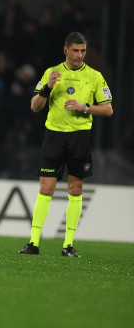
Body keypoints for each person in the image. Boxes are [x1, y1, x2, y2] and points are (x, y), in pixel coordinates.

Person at [18, 32, 113, 258]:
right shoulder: (51, 73)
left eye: (83, 51)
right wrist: (47, 88)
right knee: (46, 189)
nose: (80, 55)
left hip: (80, 136)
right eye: (75, 50)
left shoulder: (95, 76)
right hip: (55, 135)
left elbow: (108, 109)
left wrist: (85, 107)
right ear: (65, 50)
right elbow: (35, 106)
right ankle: (33, 243)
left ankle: (68, 245)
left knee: (75, 189)